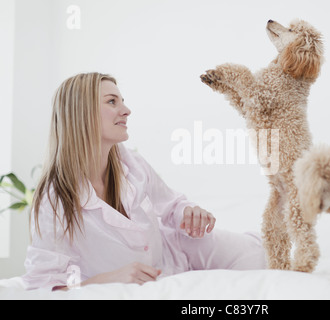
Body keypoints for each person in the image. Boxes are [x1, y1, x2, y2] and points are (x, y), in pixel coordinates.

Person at [22, 73, 266, 291]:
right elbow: (44, 286)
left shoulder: (130, 162)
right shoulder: (53, 199)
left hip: (180, 250)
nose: (126, 110)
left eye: (122, 101)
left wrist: (189, 213)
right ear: (81, 113)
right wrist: (110, 278)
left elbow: (172, 205)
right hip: (157, 278)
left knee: (261, 257)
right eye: (112, 101)